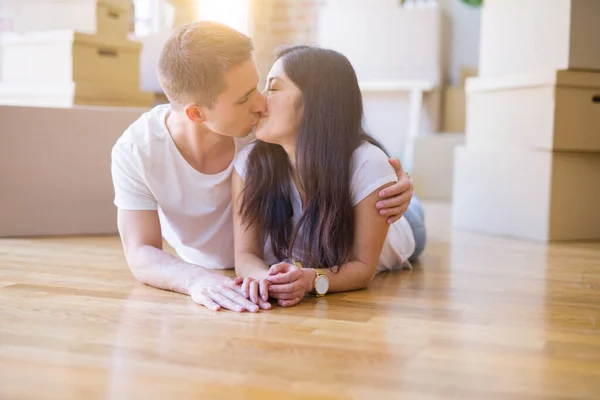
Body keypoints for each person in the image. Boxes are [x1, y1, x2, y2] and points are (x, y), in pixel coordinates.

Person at [110, 21, 414, 313]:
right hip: (287, 254)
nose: (260, 103)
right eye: (245, 97)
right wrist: (199, 279)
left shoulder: (265, 131)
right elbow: (140, 252)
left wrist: (394, 183)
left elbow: (343, 145)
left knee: (410, 216)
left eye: (262, 86)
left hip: (357, 234)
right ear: (196, 113)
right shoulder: (139, 151)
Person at [232, 45, 427, 307]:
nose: (260, 100)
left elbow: (362, 269)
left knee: (413, 212)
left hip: (400, 228)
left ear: (316, 102)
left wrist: (310, 280)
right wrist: (265, 279)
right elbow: (245, 254)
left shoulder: (367, 164)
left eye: (274, 88)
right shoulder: (251, 163)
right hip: (359, 211)